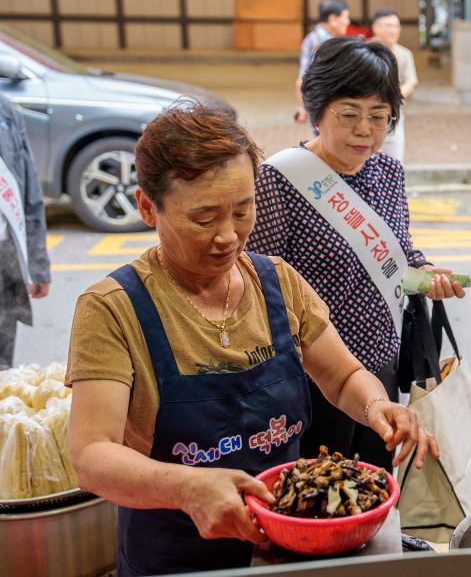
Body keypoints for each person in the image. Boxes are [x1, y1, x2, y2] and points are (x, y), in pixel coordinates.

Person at [66, 103, 438, 576]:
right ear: (146, 207)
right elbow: (92, 455)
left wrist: (376, 407)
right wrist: (187, 488)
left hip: (286, 545)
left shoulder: (277, 282)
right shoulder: (112, 309)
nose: (229, 236)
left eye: (243, 210)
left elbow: (343, 377)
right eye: (203, 219)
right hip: (172, 556)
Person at [249, 36, 464, 471]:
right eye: (349, 114)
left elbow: (399, 253)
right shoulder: (279, 180)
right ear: (316, 109)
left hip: (381, 367)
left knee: (377, 487)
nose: (365, 130)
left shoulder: (388, 171)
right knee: (318, 493)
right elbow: (261, 285)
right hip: (314, 379)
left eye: (379, 117)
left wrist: (424, 272)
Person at [0, 91, 50, 369]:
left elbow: (30, 191)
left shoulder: (5, 111)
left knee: (3, 365)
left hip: (5, 255)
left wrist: (37, 263)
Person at [370, 8, 418, 162]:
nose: (394, 30)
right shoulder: (362, 51)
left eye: (396, 26)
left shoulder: (404, 54)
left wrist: (394, 98)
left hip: (393, 115)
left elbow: (410, 81)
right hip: (366, 115)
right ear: (376, 27)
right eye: (389, 25)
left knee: (394, 161)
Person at [294, 0, 350, 125]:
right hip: (324, 109)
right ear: (333, 19)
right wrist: (302, 108)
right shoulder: (318, 43)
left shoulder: (324, 40)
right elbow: (302, 79)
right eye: (345, 17)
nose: (348, 22)